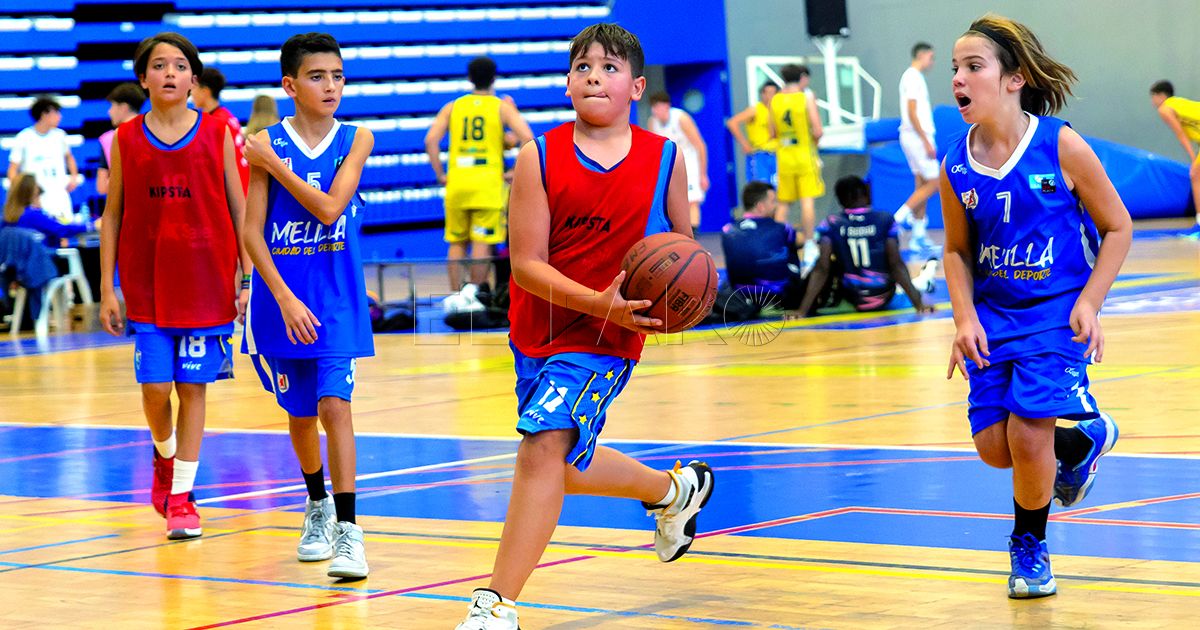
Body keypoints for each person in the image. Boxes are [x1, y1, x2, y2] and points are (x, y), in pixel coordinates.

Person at [455, 23, 714, 630]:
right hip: (538, 329)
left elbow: (686, 248)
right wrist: (601, 301)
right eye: (583, 67)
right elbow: (524, 265)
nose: (595, 75)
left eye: (610, 67)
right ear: (568, 83)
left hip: (607, 338)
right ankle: (672, 492)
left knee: (541, 448)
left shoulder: (664, 157)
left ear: (637, 86)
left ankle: (496, 605)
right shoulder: (537, 156)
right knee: (560, 465)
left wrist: (678, 297)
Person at [941, 14, 1131, 599]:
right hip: (993, 319)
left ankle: (1030, 548)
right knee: (996, 450)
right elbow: (954, 250)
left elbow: (1118, 227)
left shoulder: (1060, 143)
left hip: (1055, 312)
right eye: (954, 69)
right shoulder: (955, 163)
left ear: (1014, 78)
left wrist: (1092, 303)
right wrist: (964, 317)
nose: (959, 79)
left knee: (1027, 439)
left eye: (974, 67)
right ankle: (1082, 441)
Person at [97, 32, 252, 540]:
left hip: (207, 282)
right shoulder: (125, 139)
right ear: (143, 79)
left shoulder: (218, 133)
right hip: (146, 285)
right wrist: (106, 287)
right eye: (159, 65)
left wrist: (245, 276)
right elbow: (112, 214)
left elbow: (239, 207)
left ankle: (184, 496)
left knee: (192, 387)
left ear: (193, 78)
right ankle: (163, 458)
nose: (169, 73)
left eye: (179, 65)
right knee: (156, 388)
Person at [241, 32, 374, 580]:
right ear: (290, 85)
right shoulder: (262, 142)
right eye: (318, 77)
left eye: (338, 76)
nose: (331, 86)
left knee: (334, 406)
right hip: (282, 299)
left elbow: (328, 208)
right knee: (299, 414)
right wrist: (283, 296)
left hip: (337, 300)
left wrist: (274, 165)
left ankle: (349, 530)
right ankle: (315, 503)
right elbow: (251, 233)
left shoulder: (356, 139)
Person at [425, 56, 533, 304]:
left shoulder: (453, 107)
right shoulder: (501, 107)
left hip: (458, 184)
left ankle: (455, 296)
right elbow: (527, 138)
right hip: (488, 185)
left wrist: (441, 173)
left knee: (456, 241)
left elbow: (430, 140)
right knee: (481, 241)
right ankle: (473, 297)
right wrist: (515, 172)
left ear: (470, 78)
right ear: (494, 78)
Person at [798, 175, 934, 316]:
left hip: (853, 299)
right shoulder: (885, 219)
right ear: (866, 194)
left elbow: (822, 268)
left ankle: (925, 278)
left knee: (830, 265)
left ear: (840, 200)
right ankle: (926, 278)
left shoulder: (831, 223)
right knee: (905, 289)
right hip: (884, 297)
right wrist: (919, 305)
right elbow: (896, 264)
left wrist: (803, 310)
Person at [769, 64, 824, 269]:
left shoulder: (775, 99)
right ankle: (809, 244)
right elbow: (817, 130)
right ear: (800, 77)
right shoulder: (805, 97)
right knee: (807, 201)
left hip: (784, 156)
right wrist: (814, 145)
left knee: (783, 203)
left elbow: (772, 132)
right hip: (804, 154)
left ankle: (776, 245)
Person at [720, 181, 805, 309]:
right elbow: (802, 241)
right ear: (760, 206)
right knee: (790, 246)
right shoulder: (781, 228)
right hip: (778, 294)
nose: (776, 206)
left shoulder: (728, 230)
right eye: (773, 202)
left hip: (740, 293)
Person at [894, 42, 941, 255]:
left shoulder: (912, 77)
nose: (932, 62)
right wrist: (925, 140)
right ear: (922, 55)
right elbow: (912, 112)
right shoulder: (912, 76)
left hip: (915, 136)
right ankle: (899, 218)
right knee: (936, 181)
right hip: (916, 136)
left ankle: (918, 236)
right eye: (931, 57)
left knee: (921, 184)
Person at [7, 96, 79, 222]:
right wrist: (24, 192)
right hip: (37, 197)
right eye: (56, 113)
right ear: (44, 115)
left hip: (59, 194)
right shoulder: (24, 138)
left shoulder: (60, 135)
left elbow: (69, 157)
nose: (59, 117)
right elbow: (12, 170)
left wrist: (74, 177)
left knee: (64, 231)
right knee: (39, 234)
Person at [648, 91, 709, 232]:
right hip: (669, 165)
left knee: (692, 201)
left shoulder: (681, 118)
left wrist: (703, 174)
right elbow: (654, 150)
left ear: (667, 106)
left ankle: (693, 237)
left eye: (658, 107)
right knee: (669, 203)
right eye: (653, 107)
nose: (655, 110)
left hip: (690, 164)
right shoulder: (653, 122)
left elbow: (700, 145)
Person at [1149, 80, 1200, 238]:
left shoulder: (1165, 109)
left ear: (1161, 95)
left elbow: (1181, 136)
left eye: (1153, 96)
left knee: (1195, 175)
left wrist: (1193, 160)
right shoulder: (1179, 103)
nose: (1152, 101)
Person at [194, 67, 250, 196]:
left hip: (231, 190)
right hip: (242, 184)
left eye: (194, 88)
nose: (192, 94)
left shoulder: (214, 122)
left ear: (205, 91)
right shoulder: (227, 116)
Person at [3, 174, 96, 245]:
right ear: (32, 194)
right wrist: (91, 226)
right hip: (43, 264)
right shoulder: (32, 215)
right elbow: (62, 230)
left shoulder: (7, 217)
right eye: (39, 193)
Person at [726, 81, 780, 185]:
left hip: (777, 154)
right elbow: (732, 122)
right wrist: (744, 143)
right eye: (767, 93)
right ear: (762, 94)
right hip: (760, 154)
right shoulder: (755, 110)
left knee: (779, 188)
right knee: (760, 187)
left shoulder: (777, 110)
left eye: (773, 93)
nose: (770, 96)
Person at [97, 83, 146, 196]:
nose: (109, 112)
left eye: (112, 106)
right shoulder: (157, 132)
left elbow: (102, 187)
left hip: (124, 209)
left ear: (123, 107)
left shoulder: (108, 139)